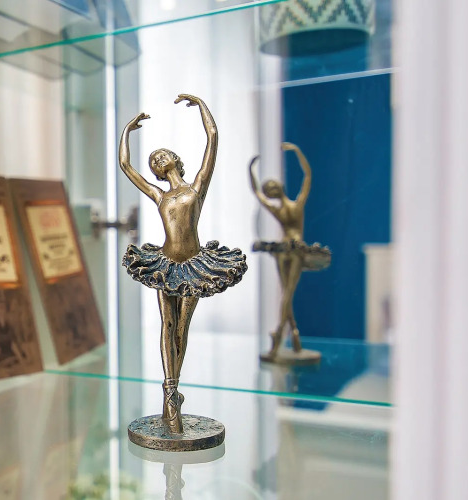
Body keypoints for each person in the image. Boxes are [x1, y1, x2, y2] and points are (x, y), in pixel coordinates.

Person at [119, 94, 247, 433]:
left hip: (194, 266)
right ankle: (170, 392)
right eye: (154, 159)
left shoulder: (196, 188)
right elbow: (125, 167)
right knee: (167, 324)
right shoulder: (159, 195)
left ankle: (172, 395)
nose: (158, 159)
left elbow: (212, 138)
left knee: (181, 328)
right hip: (165, 264)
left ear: (175, 159)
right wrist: (127, 131)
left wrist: (200, 104)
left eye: (162, 154)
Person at [249, 142, 330, 361]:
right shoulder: (295, 206)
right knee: (287, 293)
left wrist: (251, 169)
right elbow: (307, 177)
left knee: (286, 293)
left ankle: (290, 333)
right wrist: (298, 153)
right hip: (291, 250)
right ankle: (281, 334)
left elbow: (258, 192)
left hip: (284, 250)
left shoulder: (283, 208)